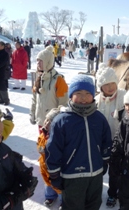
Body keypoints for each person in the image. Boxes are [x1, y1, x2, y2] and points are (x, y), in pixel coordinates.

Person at [45, 75, 112, 210]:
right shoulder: (62, 120)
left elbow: (106, 142)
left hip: (95, 175)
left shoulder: (99, 118)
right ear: (70, 95)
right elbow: (53, 149)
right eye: (78, 93)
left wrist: (104, 161)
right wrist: (54, 174)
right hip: (72, 176)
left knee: (93, 205)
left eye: (88, 93)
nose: (83, 97)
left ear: (93, 95)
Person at [95, 63, 126, 207]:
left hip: (118, 144)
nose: (110, 87)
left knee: (115, 172)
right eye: (106, 85)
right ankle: (95, 192)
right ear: (100, 87)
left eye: (113, 83)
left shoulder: (123, 97)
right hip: (99, 144)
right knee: (98, 170)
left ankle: (113, 193)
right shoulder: (95, 101)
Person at [30, 45, 68, 131]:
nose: (38, 63)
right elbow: (34, 99)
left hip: (53, 123)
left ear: (48, 62)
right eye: (37, 61)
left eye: (41, 61)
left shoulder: (59, 80)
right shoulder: (39, 78)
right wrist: (32, 113)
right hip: (40, 121)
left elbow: (63, 104)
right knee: (42, 143)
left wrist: (56, 120)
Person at [37, 107, 62, 208]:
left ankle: (63, 201)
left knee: (59, 187)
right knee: (47, 183)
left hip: (55, 168)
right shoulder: (43, 133)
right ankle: (50, 196)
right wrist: (40, 148)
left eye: (51, 122)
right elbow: (39, 143)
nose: (47, 123)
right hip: (44, 165)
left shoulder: (58, 138)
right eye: (47, 120)